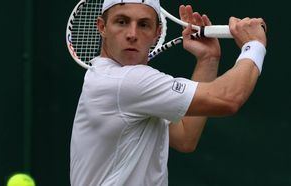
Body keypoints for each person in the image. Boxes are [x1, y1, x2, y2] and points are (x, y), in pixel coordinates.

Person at [70, 0, 267, 185]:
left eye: (143, 24)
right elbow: (228, 99)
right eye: (121, 22)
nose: (132, 33)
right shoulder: (126, 81)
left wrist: (208, 59)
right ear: (102, 27)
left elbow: (184, 137)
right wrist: (254, 46)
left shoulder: (116, 82)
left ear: (157, 32)